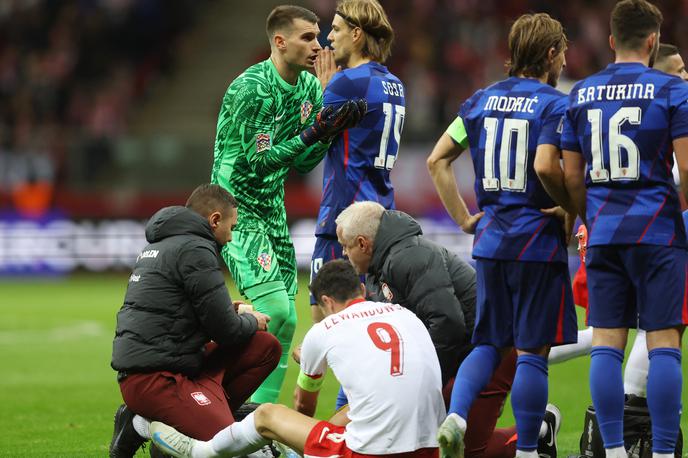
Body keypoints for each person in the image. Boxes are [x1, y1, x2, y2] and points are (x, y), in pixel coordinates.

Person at [426, 12, 577, 458]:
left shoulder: (478, 102)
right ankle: (528, 450)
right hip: (536, 242)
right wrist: (569, 206)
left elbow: (437, 159)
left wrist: (464, 218)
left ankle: (456, 416)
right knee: (532, 352)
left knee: (489, 342)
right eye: (563, 52)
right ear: (550, 53)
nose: (566, 62)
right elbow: (546, 166)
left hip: (489, 241)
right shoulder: (554, 104)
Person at [210, 5, 366, 404]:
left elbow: (302, 162)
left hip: (272, 210)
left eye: (319, 36)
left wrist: (327, 127)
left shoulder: (310, 89)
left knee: (287, 319)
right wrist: (317, 128)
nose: (320, 45)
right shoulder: (252, 88)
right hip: (236, 212)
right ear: (280, 42)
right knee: (274, 310)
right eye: (308, 38)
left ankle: (256, 418)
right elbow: (258, 160)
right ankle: (212, 400)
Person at [147, 259, 446, 458]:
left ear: (326, 301)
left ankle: (199, 451)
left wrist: (308, 368)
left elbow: (304, 407)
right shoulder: (405, 314)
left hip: (368, 453)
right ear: (363, 290)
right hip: (430, 448)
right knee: (363, 406)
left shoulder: (325, 328)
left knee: (267, 415)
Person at [561, 1, 688, 456]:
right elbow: (687, 167)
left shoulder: (580, 93)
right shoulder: (672, 91)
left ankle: (612, 451)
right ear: (653, 41)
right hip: (658, 232)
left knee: (607, 348)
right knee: (665, 347)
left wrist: (589, 215)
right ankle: (661, 451)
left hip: (605, 232)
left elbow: (570, 175)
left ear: (612, 41)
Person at [334, 201, 559, 458]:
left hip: (489, 351)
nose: (343, 253)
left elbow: (448, 325)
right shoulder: (378, 269)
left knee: (470, 452)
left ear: (363, 244)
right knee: (429, 439)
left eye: (345, 245)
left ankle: (538, 432)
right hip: (461, 354)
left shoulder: (409, 257)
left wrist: (421, 384)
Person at [108, 184, 280, 458]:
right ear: (214, 220)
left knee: (266, 346)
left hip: (172, 364)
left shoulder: (164, 243)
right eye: (231, 227)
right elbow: (226, 332)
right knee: (227, 443)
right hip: (155, 379)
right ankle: (140, 423)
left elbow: (178, 311)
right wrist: (253, 320)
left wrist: (232, 311)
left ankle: (195, 417)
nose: (231, 237)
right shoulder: (196, 248)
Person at [309, 0, 404, 323]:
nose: (328, 38)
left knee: (324, 326)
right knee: (371, 325)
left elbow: (305, 140)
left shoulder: (346, 83)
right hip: (380, 217)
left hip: (344, 218)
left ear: (357, 34)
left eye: (335, 29)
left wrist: (323, 90)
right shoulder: (395, 85)